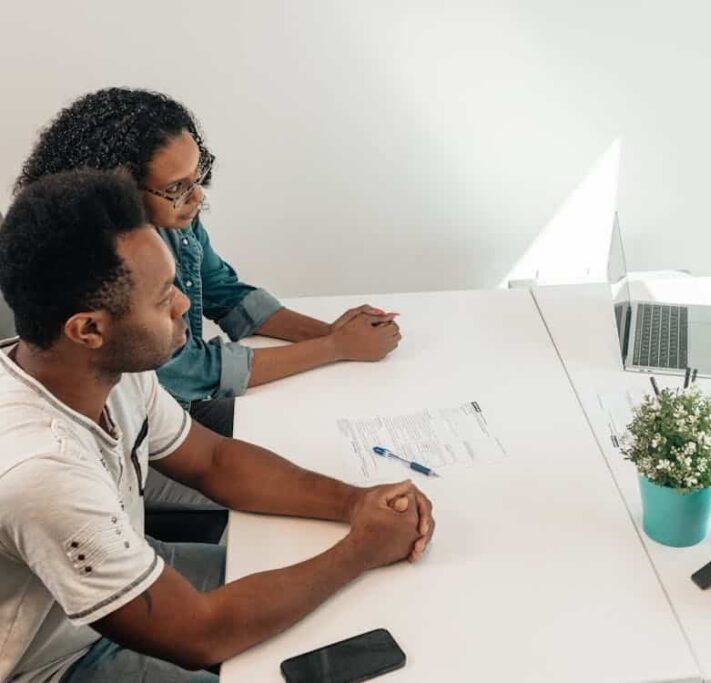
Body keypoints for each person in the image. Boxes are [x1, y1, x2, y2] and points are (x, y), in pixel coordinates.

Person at [0, 170, 435, 682]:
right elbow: (198, 635)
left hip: (132, 569)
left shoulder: (108, 373)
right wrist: (361, 548)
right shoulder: (41, 469)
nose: (184, 303)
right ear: (88, 329)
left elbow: (214, 461)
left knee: (344, 600)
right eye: (164, 298)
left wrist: (354, 503)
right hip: (55, 661)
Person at [16, 87, 401, 510]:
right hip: (141, 442)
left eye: (199, 175)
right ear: (120, 187)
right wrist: (334, 348)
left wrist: (334, 332)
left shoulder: (175, 224)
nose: (198, 196)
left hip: (176, 418)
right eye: (178, 187)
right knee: (275, 494)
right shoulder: (93, 265)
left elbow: (224, 292)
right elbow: (188, 368)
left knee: (313, 445)